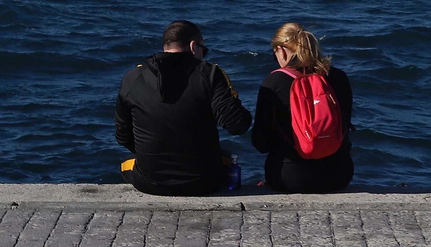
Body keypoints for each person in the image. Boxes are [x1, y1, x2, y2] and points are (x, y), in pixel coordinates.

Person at [114, 20, 252, 196]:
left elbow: (123, 136)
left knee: (127, 164)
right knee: (226, 159)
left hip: (150, 182)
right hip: (204, 182)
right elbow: (237, 125)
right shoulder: (209, 74)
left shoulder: (132, 77)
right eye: (204, 50)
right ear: (194, 46)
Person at [252, 22, 354, 193]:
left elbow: (261, 143)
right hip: (339, 175)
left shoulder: (274, 82)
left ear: (282, 50)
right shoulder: (339, 77)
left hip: (291, 177)